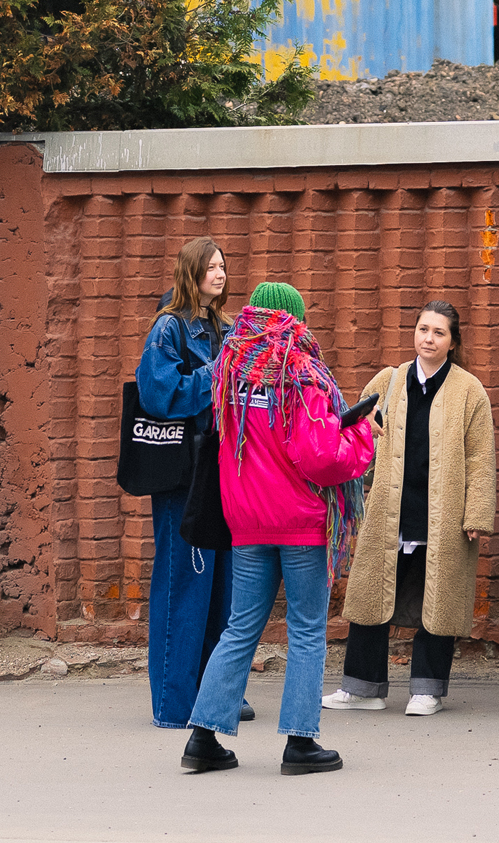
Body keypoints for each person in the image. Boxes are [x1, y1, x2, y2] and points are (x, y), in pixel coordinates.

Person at [180, 286, 378, 777]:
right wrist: (360, 433)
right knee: (307, 630)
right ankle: (300, 743)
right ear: (294, 318)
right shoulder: (299, 372)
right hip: (300, 522)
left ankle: (203, 737)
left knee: (241, 626)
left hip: (247, 520)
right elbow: (321, 457)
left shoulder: (229, 369)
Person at [326, 301, 496, 716]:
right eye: (423, 329)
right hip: (389, 509)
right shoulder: (389, 381)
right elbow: (350, 430)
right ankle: (363, 688)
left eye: (439, 332)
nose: (428, 339)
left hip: (441, 513)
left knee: (436, 600)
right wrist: (367, 431)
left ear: (453, 342)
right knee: (370, 596)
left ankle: (427, 689)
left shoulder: (468, 390)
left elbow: (479, 456)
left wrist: (477, 514)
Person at [135, 237, 236, 730]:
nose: (220, 274)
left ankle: (214, 696)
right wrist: (215, 378)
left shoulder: (224, 327)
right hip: (184, 474)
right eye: (211, 267)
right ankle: (175, 707)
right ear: (191, 273)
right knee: (184, 584)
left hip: (224, 471)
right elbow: (159, 394)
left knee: (222, 588)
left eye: (223, 267)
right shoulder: (169, 327)